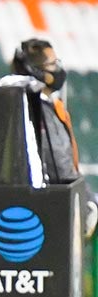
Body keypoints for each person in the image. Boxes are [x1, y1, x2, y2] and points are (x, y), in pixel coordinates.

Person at [11, 38, 98, 234]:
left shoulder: (22, 104)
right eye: (52, 64)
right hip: (53, 210)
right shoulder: (40, 111)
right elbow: (61, 169)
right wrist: (87, 203)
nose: (58, 70)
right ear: (37, 71)